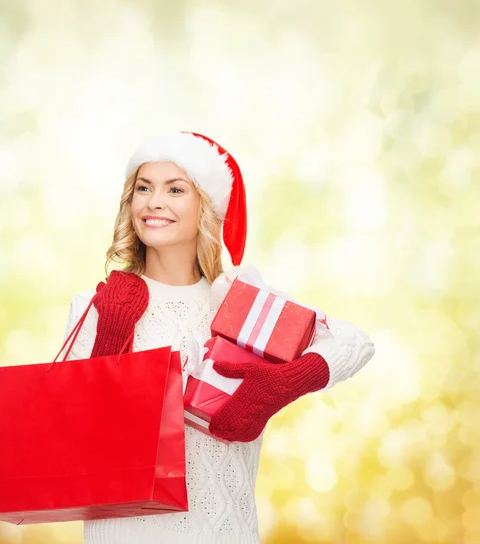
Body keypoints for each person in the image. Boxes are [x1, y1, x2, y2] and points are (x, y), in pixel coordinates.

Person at [63, 131, 375, 544]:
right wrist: (112, 332)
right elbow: (80, 432)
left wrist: (285, 383)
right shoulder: (97, 304)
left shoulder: (238, 301)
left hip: (224, 530)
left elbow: (355, 342)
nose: (154, 201)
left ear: (207, 207)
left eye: (175, 189)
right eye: (143, 188)